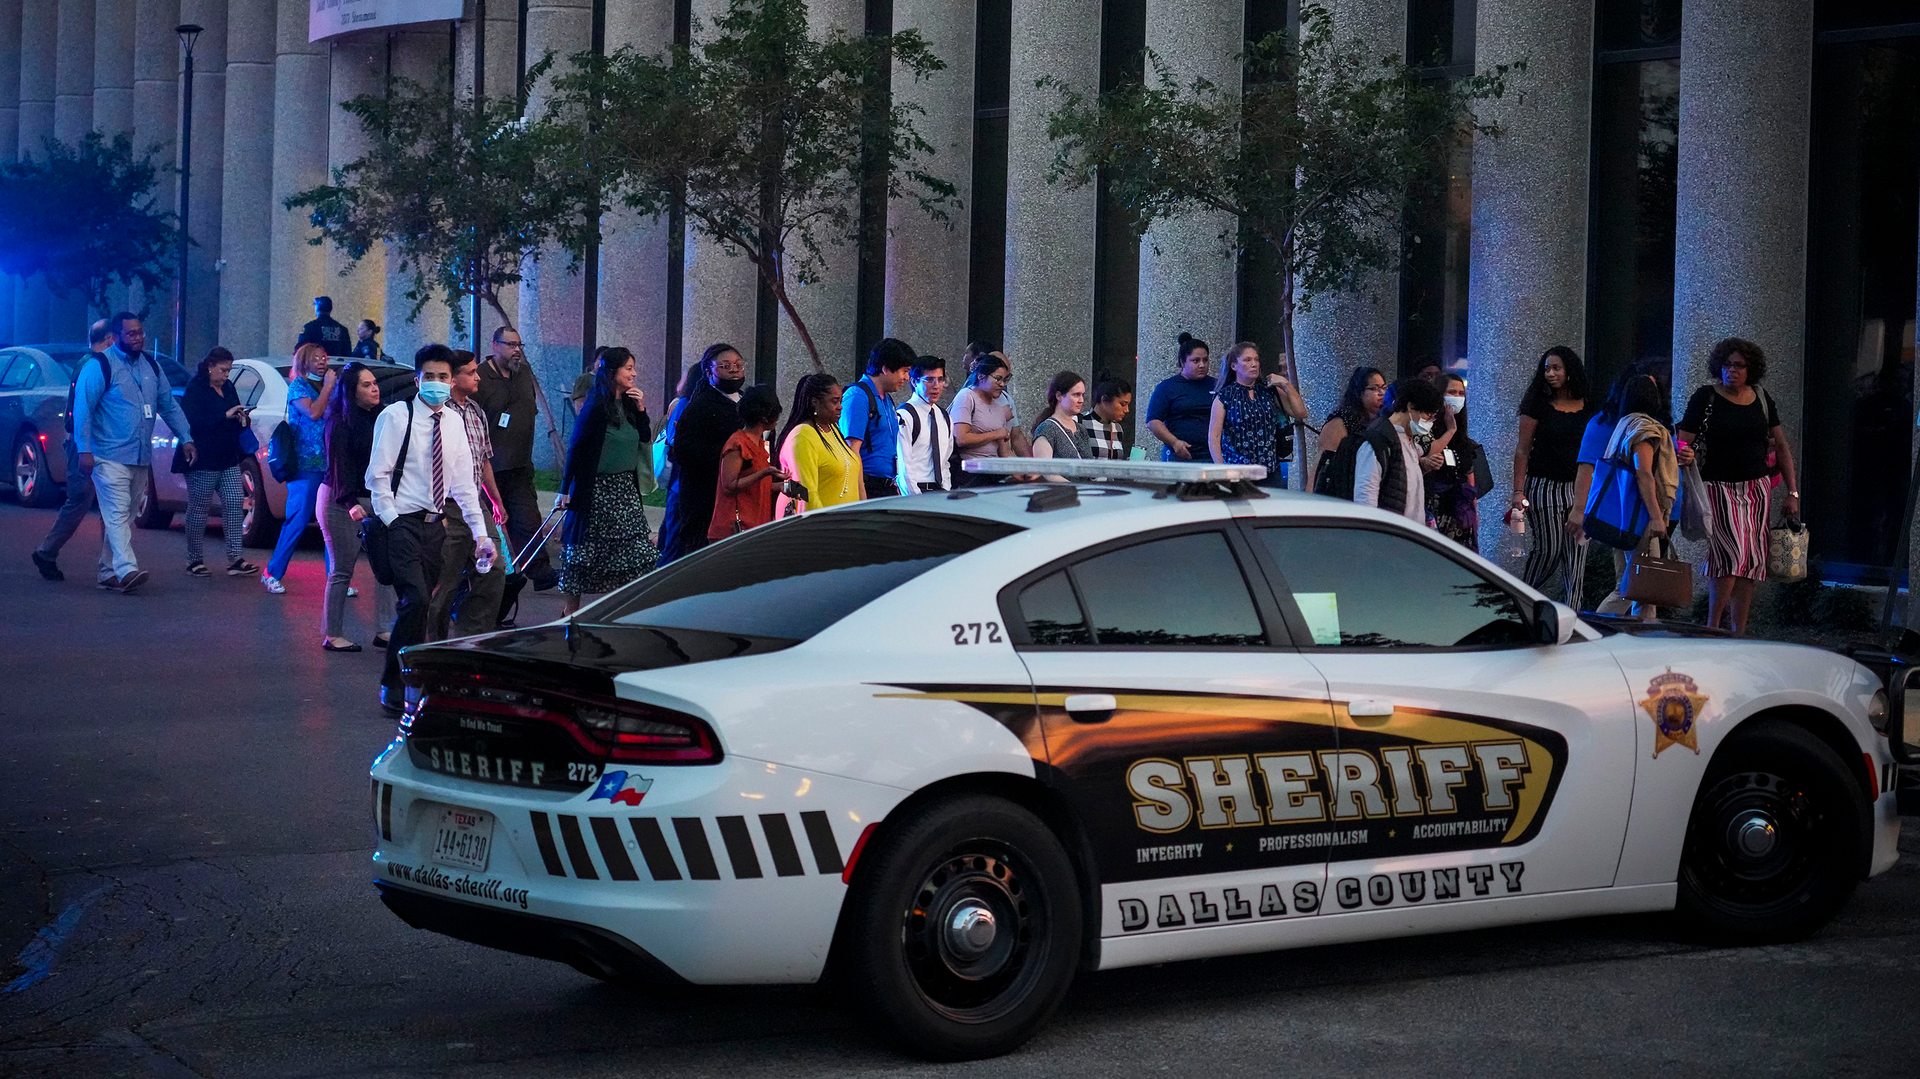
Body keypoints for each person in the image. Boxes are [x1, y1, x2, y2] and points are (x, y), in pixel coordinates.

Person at [367, 344, 496, 712]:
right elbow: (377, 476)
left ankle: (413, 680)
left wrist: (480, 533)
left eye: (443, 377)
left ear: (451, 380)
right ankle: (395, 684)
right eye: (430, 377)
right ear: (417, 379)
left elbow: (462, 484)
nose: (437, 384)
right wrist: (391, 520)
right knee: (418, 600)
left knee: (423, 605)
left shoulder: (454, 421)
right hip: (402, 523)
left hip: (435, 525)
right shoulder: (397, 416)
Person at [1676, 337, 1799, 636]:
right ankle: (1713, 627)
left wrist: (1793, 493)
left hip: (1757, 488)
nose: (1732, 370)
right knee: (1729, 556)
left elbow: (1781, 446)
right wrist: (1683, 451)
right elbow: (1681, 439)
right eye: (1727, 365)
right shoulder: (1705, 397)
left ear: (1750, 369)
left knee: (1752, 561)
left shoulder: (1761, 397)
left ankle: (1738, 632)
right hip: (1718, 488)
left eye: (1739, 366)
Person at [70, 313, 194, 594]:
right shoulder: (99, 366)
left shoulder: (151, 365)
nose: (138, 338)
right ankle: (127, 569)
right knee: (115, 513)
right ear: (115, 338)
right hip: (107, 455)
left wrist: (186, 437)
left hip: (140, 456)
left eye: (140, 332)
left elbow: (169, 405)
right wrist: (84, 450)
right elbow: (83, 410)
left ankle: (107, 571)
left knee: (125, 515)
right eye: (131, 334)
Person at [1574, 363, 1689, 617]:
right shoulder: (1644, 429)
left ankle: (1635, 638)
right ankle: (1596, 626)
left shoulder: (1623, 425)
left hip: (1624, 516)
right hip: (1641, 517)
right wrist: (1657, 516)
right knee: (1639, 586)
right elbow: (1644, 473)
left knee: (1639, 587)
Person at [557, 347, 660, 616]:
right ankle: (570, 612)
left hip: (626, 489)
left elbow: (643, 438)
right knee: (584, 552)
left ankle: (624, 612)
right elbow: (576, 448)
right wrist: (565, 489)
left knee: (636, 554)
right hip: (597, 491)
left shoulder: (628, 404)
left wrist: (641, 409)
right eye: (628, 368)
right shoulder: (595, 407)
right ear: (612, 372)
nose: (634, 373)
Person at [425, 350, 509, 640]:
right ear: (453, 378)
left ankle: (470, 636)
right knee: (444, 583)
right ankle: (431, 644)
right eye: (471, 372)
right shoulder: (437, 412)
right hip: (445, 506)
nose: (478, 377)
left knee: (494, 570)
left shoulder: (476, 411)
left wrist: (495, 500)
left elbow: (484, 460)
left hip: (475, 503)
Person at [318, 362, 395, 652]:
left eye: (375, 383)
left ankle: (385, 629)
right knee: (342, 569)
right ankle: (333, 634)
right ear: (351, 391)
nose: (374, 388)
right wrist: (351, 503)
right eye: (366, 384)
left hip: (375, 497)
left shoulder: (383, 416)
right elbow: (340, 469)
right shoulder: (338, 421)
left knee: (385, 567)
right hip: (340, 499)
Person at [1510, 346, 1595, 608]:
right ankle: (1518, 600)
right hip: (1544, 485)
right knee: (1548, 550)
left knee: (1576, 555)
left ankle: (1575, 612)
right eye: (1546, 368)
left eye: (1556, 368)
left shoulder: (1588, 406)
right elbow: (1523, 450)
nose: (1550, 373)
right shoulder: (1537, 404)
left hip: (1579, 487)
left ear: (1570, 371)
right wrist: (1518, 491)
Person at [473, 326, 556, 590]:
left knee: (528, 520)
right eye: (511, 345)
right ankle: (491, 578)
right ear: (495, 345)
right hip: (490, 468)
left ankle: (540, 572)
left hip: (519, 466)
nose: (517, 350)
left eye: (520, 345)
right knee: (490, 528)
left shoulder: (523, 374)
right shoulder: (481, 378)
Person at [31, 319, 111, 581]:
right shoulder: (93, 365)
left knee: (100, 502)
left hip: (84, 442)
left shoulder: (86, 362)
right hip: (85, 443)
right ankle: (47, 551)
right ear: (109, 339)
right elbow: (83, 410)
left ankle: (112, 563)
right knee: (81, 499)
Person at [660, 343, 746, 562]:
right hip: (706, 497)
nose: (734, 370)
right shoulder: (699, 407)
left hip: (743, 494)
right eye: (726, 366)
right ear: (709, 372)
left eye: (738, 365)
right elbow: (684, 450)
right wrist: (730, 455)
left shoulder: (747, 402)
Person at [178, 347, 259, 578]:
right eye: (223, 370)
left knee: (234, 503)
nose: (226, 375)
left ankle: (235, 558)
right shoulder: (196, 389)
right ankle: (194, 559)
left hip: (227, 456)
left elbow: (232, 412)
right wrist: (224, 416)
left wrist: (240, 416)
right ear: (210, 366)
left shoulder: (229, 387)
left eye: (229, 370)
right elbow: (193, 423)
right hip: (202, 458)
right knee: (199, 509)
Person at [262, 343, 335, 594]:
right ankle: (272, 572)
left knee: (331, 522)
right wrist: (327, 388)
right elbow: (314, 413)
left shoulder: (330, 387)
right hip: (305, 463)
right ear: (303, 362)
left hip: (329, 463)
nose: (322, 361)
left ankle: (335, 578)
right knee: (299, 518)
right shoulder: (299, 387)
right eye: (315, 358)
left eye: (324, 357)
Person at [1206, 342, 1306, 488]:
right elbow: (1213, 437)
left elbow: (1300, 413)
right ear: (1234, 366)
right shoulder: (1225, 396)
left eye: (1256, 359)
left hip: (1269, 471)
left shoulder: (1268, 391)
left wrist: (1285, 384)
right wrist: (1221, 470)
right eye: (1247, 360)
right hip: (1237, 471)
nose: (1254, 364)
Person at [1353, 377, 1442, 524]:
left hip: (1408, 538)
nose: (1430, 422)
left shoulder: (1408, 440)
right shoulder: (1379, 441)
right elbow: (1365, 500)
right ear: (1410, 407)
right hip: (1389, 540)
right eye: (1428, 415)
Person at [776, 373, 863, 515]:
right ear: (815, 402)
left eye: (841, 401)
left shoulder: (833, 429)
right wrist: (821, 528)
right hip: (820, 527)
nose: (840, 407)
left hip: (844, 524)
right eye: (834, 401)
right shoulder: (803, 436)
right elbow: (807, 493)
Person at [710, 385, 785, 539]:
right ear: (765, 417)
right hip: (734, 529)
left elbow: (754, 486)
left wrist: (781, 486)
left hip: (755, 526)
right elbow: (729, 485)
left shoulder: (758, 442)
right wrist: (764, 472)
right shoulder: (737, 444)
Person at [842, 338, 915, 497]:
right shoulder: (857, 396)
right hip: (868, 487)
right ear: (886, 369)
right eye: (904, 371)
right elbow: (852, 451)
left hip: (887, 486)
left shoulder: (887, 399)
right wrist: (861, 496)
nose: (907, 377)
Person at [1424, 371, 1482, 550]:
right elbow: (1427, 456)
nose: (1457, 397)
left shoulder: (1463, 437)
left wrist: (1474, 516)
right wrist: (1449, 430)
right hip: (1435, 509)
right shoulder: (1426, 429)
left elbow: (1469, 477)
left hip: (1461, 512)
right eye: (1451, 393)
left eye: (1461, 393)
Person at [1313, 366, 1386, 492]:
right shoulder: (1341, 421)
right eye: (1374, 388)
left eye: (1384, 388)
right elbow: (1322, 466)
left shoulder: (1383, 420)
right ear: (1358, 392)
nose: (1381, 393)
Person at [949, 352, 1017, 486]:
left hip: (993, 471)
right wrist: (995, 434)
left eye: (1005, 380)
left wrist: (1022, 470)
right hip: (970, 473)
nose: (1002, 384)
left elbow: (1004, 450)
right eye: (997, 379)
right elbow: (962, 439)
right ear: (981, 376)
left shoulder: (998, 406)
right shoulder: (967, 397)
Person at [1146, 333, 1214, 462]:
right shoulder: (1167, 387)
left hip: (1211, 455)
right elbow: (1153, 421)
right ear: (1183, 362)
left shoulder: (1217, 385)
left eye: (1205, 360)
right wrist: (1174, 442)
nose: (1202, 365)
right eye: (1196, 361)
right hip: (1179, 455)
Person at [895, 356, 955, 492]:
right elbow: (904, 466)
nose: (936, 385)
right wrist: (915, 499)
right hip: (916, 489)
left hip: (940, 491)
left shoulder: (944, 416)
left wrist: (946, 489)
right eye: (929, 380)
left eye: (940, 380)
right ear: (915, 382)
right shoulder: (905, 415)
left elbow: (945, 462)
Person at [1029, 371, 1089, 480]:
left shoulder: (1081, 429)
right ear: (1059, 396)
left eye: (1082, 395)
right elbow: (1046, 471)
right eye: (1076, 394)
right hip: (1061, 494)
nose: (1081, 400)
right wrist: (1076, 489)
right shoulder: (1046, 429)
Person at [1082, 377, 1134, 461]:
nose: (1126, 410)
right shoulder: (1081, 423)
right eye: (1123, 404)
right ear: (1104, 400)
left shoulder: (1117, 428)